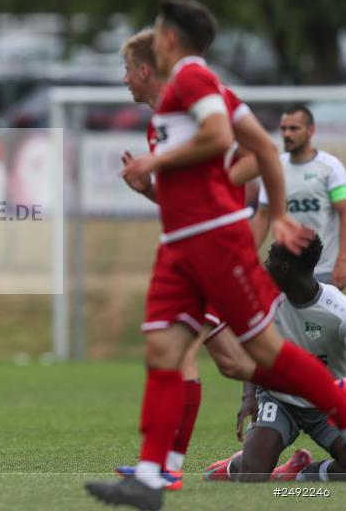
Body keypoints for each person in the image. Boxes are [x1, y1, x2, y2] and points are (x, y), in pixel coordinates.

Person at [85, 0, 346, 511]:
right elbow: (263, 150)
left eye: (157, 30)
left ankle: (330, 410)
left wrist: (157, 164)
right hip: (179, 243)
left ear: (168, 38)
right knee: (164, 352)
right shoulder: (189, 96)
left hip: (213, 241)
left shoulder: (192, 77)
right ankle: (151, 478)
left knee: (262, 354)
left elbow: (225, 138)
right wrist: (156, 186)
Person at [113, 29, 257, 491]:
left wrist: (224, 203)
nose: (124, 80)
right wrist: (148, 190)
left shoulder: (199, 108)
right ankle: (164, 465)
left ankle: (166, 467)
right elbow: (179, 203)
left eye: (127, 70)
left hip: (216, 251)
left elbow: (256, 156)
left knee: (189, 354)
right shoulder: (158, 127)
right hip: (191, 254)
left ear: (144, 70)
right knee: (232, 363)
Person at [204, 235, 346, 483]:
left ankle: (299, 474)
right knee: (252, 474)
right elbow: (252, 351)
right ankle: (230, 467)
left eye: (270, 258)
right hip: (279, 400)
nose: (265, 264)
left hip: (327, 404)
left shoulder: (338, 311)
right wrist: (249, 397)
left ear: (285, 267)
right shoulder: (263, 302)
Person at [251, 106, 346, 288]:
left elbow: (344, 214)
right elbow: (262, 215)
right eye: (283, 129)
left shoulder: (331, 167)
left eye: (294, 128)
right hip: (285, 272)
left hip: (323, 271)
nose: (287, 134)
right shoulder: (274, 168)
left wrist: (343, 260)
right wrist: (246, 256)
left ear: (311, 131)